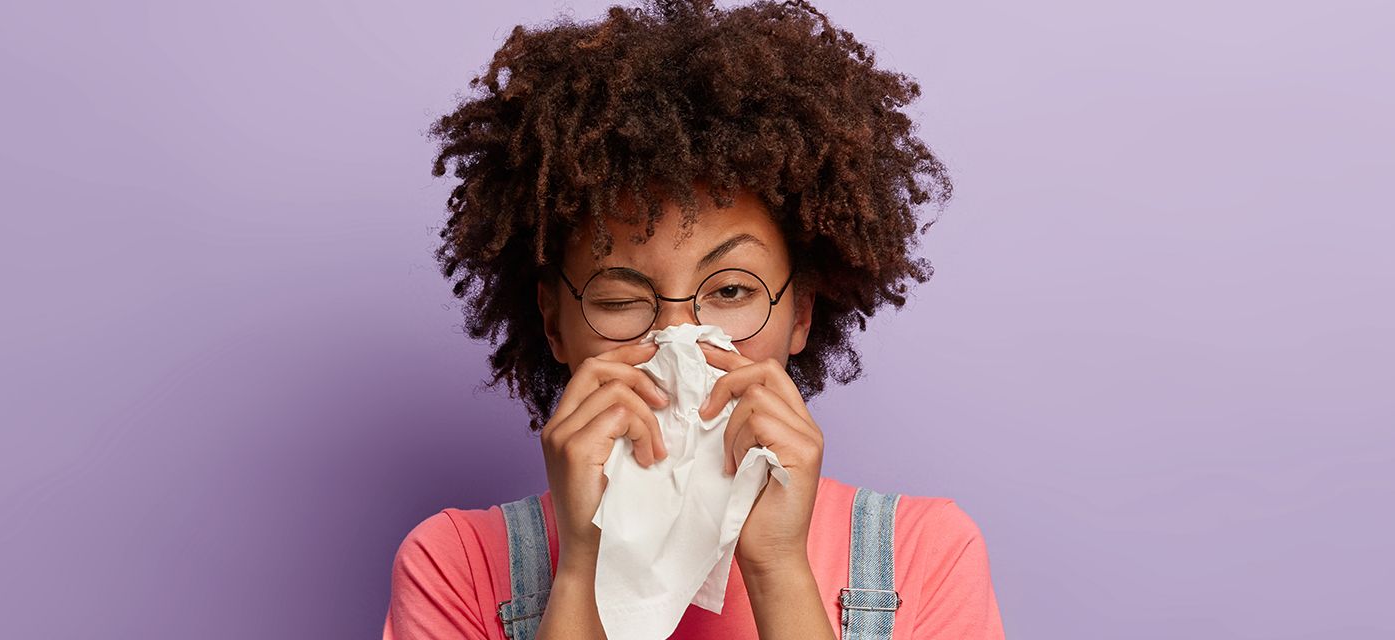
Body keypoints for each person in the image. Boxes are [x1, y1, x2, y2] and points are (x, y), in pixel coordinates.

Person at [385, 1, 1005, 637]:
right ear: (554, 324)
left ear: (801, 313)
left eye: (732, 290)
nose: (679, 339)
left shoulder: (927, 555)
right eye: (622, 300)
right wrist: (583, 565)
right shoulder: (456, 564)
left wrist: (778, 568)